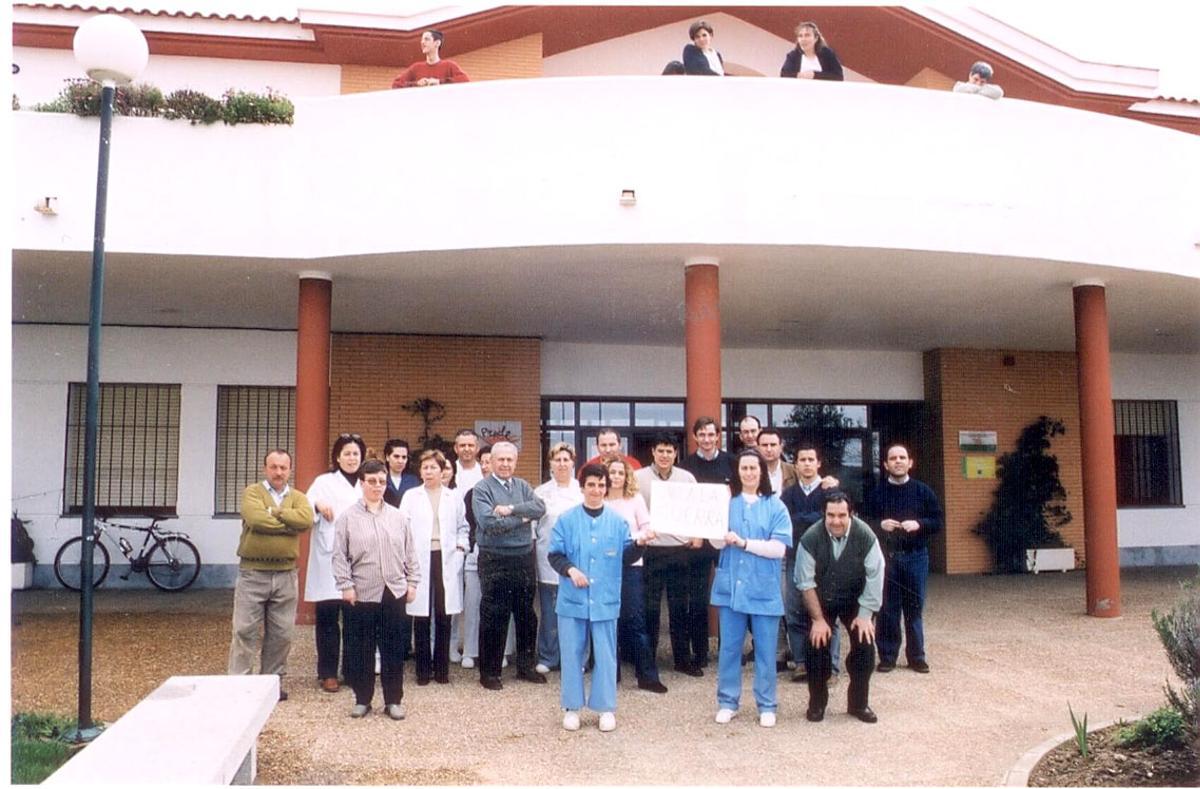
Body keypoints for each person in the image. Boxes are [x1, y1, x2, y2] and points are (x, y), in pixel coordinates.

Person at [549, 463, 653, 732]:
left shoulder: (618, 523)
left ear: (607, 489)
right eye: (591, 485)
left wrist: (640, 545)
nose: (596, 490)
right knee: (572, 653)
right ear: (582, 487)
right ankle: (572, 707)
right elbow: (555, 554)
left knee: (606, 655)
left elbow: (626, 557)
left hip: (605, 598)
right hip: (573, 598)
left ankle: (606, 708)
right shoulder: (567, 519)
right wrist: (570, 570)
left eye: (601, 485)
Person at [331, 459, 420, 720]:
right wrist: (346, 586)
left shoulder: (398, 517)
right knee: (362, 648)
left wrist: (412, 583)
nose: (377, 486)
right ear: (362, 483)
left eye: (381, 481)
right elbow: (339, 556)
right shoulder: (347, 518)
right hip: (361, 592)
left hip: (393, 591)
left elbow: (410, 554)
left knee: (393, 647)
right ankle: (362, 698)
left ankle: (393, 700)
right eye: (371, 481)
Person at [710, 450, 792, 727]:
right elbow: (715, 544)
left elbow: (778, 548)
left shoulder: (776, 506)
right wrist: (718, 535)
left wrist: (745, 543)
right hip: (731, 588)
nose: (748, 473)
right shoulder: (726, 503)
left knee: (766, 651)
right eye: (743, 468)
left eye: (753, 468)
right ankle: (727, 702)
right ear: (737, 471)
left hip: (763, 588)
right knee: (730, 649)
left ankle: (767, 704)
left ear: (762, 472)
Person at [227, 449, 313, 701]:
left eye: (283, 468)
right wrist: (288, 524)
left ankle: (271, 682)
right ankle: (239, 683)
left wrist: (274, 512)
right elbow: (255, 520)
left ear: (290, 469)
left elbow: (306, 520)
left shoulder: (297, 496)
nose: (278, 472)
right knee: (244, 630)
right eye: (273, 467)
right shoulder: (252, 493)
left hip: (286, 574)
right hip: (253, 573)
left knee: (282, 633)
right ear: (265, 468)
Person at [796, 492, 884, 724]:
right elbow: (805, 582)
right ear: (824, 514)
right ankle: (817, 702)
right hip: (821, 599)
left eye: (842, 515)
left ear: (851, 514)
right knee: (816, 646)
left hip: (856, 598)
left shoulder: (865, 535)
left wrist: (865, 615)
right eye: (830, 515)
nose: (836, 521)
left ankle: (858, 703)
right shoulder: (810, 538)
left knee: (865, 645)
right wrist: (817, 619)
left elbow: (876, 575)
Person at [471, 441, 547, 689]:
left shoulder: (523, 486)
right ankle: (490, 673)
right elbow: (489, 524)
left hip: (524, 557)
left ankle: (525, 668)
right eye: (500, 459)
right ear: (491, 462)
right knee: (495, 615)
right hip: (495, 559)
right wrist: (523, 518)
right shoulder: (481, 489)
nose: (505, 464)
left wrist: (511, 510)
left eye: (509, 460)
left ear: (515, 462)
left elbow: (540, 507)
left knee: (526, 614)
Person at [865, 444, 943, 674]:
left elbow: (937, 520)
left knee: (914, 608)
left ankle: (916, 656)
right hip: (887, 559)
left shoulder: (923, 491)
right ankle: (887, 656)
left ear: (910, 462)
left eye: (902, 457)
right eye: (893, 458)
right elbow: (862, 522)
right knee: (888, 608)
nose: (898, 461)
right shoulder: (876, 493)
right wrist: (880, 525)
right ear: (886, 464)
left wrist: (919, 524)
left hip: (916, 557)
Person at [303, 433, 366, 692]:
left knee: (356, 619)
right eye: (347, 453)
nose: (351, 458)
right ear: (337, 457)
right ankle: (328, 672)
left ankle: (352, 670)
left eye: (356, 454)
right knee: (328, 618)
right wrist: (316, 505)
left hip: (360, 559)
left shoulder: (366, 482)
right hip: (328, 559)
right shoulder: (323, 482)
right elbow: (304, 509)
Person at [400, 450, 468, 685]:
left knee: (443, 613)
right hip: (419, 558)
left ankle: (441, 670)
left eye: (433, 468)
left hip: (445, 558)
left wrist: (460, 549)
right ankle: (422, 671)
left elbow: (463, 527)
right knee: (420, 615)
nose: (428, 472)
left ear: (443, 471)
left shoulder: (453, 497)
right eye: (425, 468)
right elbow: (402, 528)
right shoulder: (411, 496)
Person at [635, 433, 699, 676]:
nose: (664, 455)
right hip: (650, 550)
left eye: (669, 451)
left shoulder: (687, 478)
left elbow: (696, 510)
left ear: (676, 454)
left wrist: (697, 534)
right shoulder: (638, 478)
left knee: (679, 607)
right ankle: (648, 660)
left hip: (679, 550)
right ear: (653, 452)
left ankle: (682, 660)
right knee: (650, 608)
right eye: (660, 451)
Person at [604, 457, 668, 694]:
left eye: (621, 472)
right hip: (604, 566)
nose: (616, 477)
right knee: (608, 619)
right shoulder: (599, 499)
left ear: (627, 476)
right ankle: (611, 673)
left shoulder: (635, 499)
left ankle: (648, 676)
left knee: (635, 620)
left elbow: (647, 526)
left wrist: (639, 538)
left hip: (632, 564)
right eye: (612, 472)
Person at [780, 440, 841, 681]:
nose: (806, 464)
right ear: (795, 465)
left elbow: (833, 521)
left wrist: (802, 520)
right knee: (794, 612)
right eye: (801, 460)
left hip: (825, 561)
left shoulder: (830, 491)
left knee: (828, 613)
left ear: (818, 463)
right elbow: (786, 523)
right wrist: (813, 518)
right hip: (795, 558)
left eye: (810, 460)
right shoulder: (789, 493)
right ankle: (802, 662)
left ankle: (831, 667)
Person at [680, 416, 734, 673]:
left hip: (725, 538)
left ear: (718, 436)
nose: (707, 439)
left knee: (727, 596)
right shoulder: (686, 466)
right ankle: (699, 652)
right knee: (698, 597)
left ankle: (729, 651)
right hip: (698, 540)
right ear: (695, 437)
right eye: (702, 435)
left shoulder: (732, 463)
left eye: (711, 435)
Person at [533, 442, 583, 675]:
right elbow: (534, 528)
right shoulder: (540, 493)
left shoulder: (582, 491)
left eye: (566, 459)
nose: (562, 464)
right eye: (557, 460)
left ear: (573, 462)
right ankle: (548, 656)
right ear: (550, 463)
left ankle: (576, 659)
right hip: (547, 560)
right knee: (550, 611)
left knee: (576, 612)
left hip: (577, 561)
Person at [391, 29, 470, 89]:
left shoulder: (449, 66)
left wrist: (439, 82)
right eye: (422, 40)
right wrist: (416, 84)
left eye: (426, 39)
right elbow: (396, 84)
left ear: (437, 43)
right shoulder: (416, 68)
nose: (422, 42)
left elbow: (465, 81)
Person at [780, 21, 845, 81]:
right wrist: (801, 75)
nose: (803, 39)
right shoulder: (793, 55)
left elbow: (839, 76)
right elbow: (784, 74)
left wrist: (815, 75)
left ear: (816, 38)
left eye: (807, 35)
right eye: (800, 36)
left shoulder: (827, 54)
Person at [756, 428, 796, 496]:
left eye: (773, 445)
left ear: (781, 447)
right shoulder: (750, 471)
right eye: (764, 445)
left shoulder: (794, 471)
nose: (769, 449)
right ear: (757, 448)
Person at [383, 438, 420, 508]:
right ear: (387, 457)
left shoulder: (414, 481)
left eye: (404, 457)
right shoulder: (380, 480)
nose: (400, 461)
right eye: (396, 456)